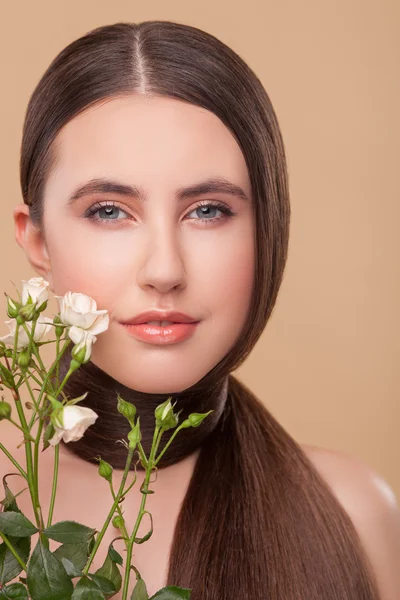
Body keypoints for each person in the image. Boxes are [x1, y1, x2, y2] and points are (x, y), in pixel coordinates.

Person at [1, 19, 398, 599]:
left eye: (208, 210)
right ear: (37, 242)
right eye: (109, 211)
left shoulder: (355, 515)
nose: (164, 270)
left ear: (269, 231)